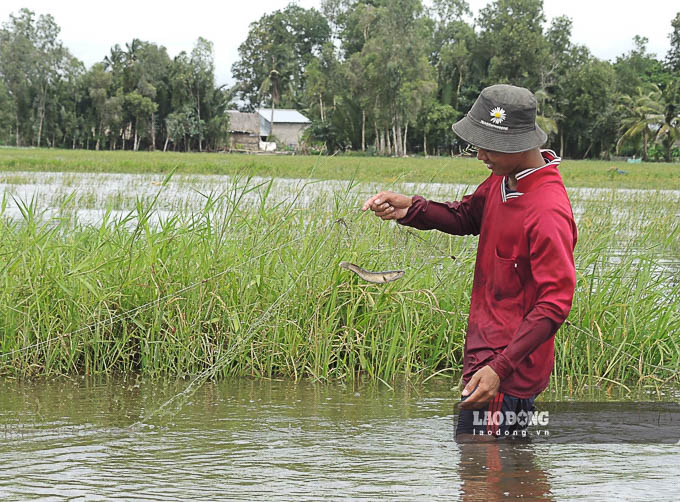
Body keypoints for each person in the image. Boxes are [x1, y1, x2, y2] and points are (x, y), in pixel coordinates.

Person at [362, 84, 577, 438]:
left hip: (505, 374)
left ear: (519, 144)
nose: (479, 155)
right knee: (505, 477)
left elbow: (554, 304)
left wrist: (499, 368)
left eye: (487, 145)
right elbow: (467, 216)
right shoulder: (503, 180)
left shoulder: (547, 210)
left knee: (482, 475)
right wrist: (410, 208)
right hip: (488, 362)